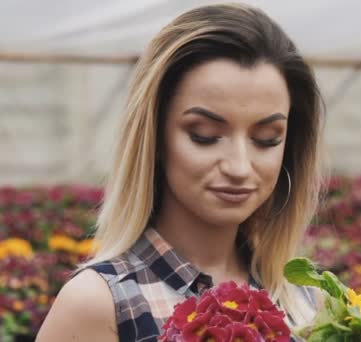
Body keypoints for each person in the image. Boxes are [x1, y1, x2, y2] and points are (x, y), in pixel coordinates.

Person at [36, 3, 325, 341]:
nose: (239, 166)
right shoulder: (101, 304)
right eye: (203, 135)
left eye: (267, 140)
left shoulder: (306, 299)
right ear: (154, 138)